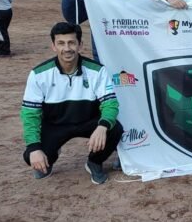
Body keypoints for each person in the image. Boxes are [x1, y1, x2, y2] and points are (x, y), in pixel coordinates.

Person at [20, 22, 123, 184]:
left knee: (115, 129)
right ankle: (52, 153)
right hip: (55, 125)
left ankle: (94, 162)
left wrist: (102, 126)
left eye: (71, 43)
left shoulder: (98, 70)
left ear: (80, 45)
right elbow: (30, 114)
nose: (67, 48)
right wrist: (34, 148)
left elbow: (110, 103)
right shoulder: (38, 74)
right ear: (53, 46)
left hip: (88, 121)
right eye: (61, 43)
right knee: (30, 156)